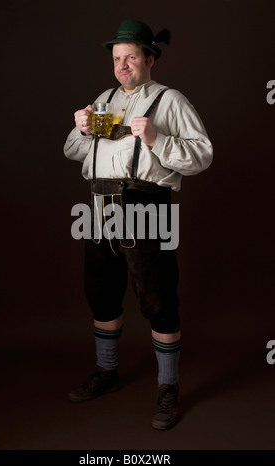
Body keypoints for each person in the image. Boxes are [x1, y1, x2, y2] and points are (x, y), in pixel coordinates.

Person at [63, 19, 213, 430]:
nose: (123, 65)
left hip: (146, 203)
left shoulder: (171, 100)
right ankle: (108, 372)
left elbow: (202, 155)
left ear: (150, 58)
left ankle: (168, 387)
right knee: (100, 291)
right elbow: (73, 151)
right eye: (117, 58)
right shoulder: (105, 97)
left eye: (131, 56)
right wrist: (80, 128)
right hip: (98, 205)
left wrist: (157, 140)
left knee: (158, 296)